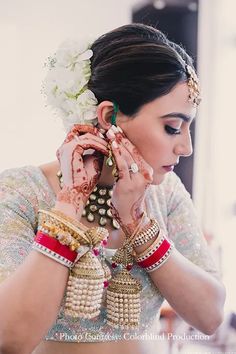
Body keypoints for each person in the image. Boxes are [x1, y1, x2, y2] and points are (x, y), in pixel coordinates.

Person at [0, 23, 226, 354]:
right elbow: (10, 337)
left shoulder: (165, 193)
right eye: (172, 127)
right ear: (109, 116)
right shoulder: (21, 191)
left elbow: (210, 315)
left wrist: (137, 224)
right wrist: (69, 206)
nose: (186, 148)